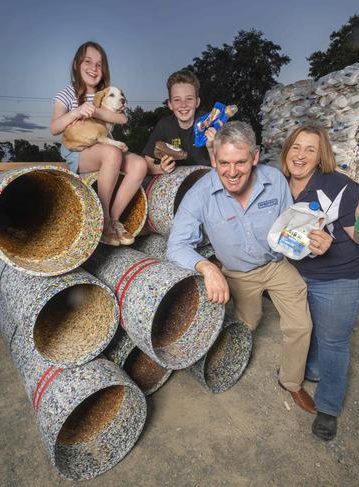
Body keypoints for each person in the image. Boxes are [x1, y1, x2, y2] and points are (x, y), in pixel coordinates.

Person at [166, 121, 332, 413]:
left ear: (255, 157)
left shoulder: (274, 180)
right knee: (247, 324)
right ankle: (228, 360)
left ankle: (290, 382)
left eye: (241, 162)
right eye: (224, 163)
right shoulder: (200, 193)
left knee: (301, 325)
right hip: (238, 274)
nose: (232, 172)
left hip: (276, 264)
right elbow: (175, 246)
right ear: (214, 159)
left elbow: (289, 224)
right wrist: (207, 267)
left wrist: (311, 237)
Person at [281, 125, 359, 442]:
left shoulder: (339, 186)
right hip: (299, 274)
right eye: (296, 147)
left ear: (322, 156)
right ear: (286, 151)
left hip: (341, 276)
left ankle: (329, 407)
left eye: (310, 149)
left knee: (334, 341)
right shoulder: (279, 186)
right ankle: (314, 370)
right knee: (311, 329)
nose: (301, 155)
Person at [50, 41, 147, 246]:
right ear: (77, 64)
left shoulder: (107, 93)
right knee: (112, 154)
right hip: (79, 151)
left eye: (99, 64)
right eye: (88, 62)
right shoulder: (66, 94)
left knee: (139, 164)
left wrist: (94, 110)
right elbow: (54, 128)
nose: (94, 68)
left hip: (105, 144)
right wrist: (76, 111)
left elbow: (122, 119)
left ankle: (113, 218)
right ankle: (102, 221)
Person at [142, 70, 215, 174]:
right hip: (177, 180)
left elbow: (225, 167)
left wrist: (211, 148)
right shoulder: (164, 126)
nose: (183, 105)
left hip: (206, 176)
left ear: (197, 102)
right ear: (170, 104)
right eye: (177, 100)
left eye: (189, 99)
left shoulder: (209, 121)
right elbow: (147, 163)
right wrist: (161, 169)